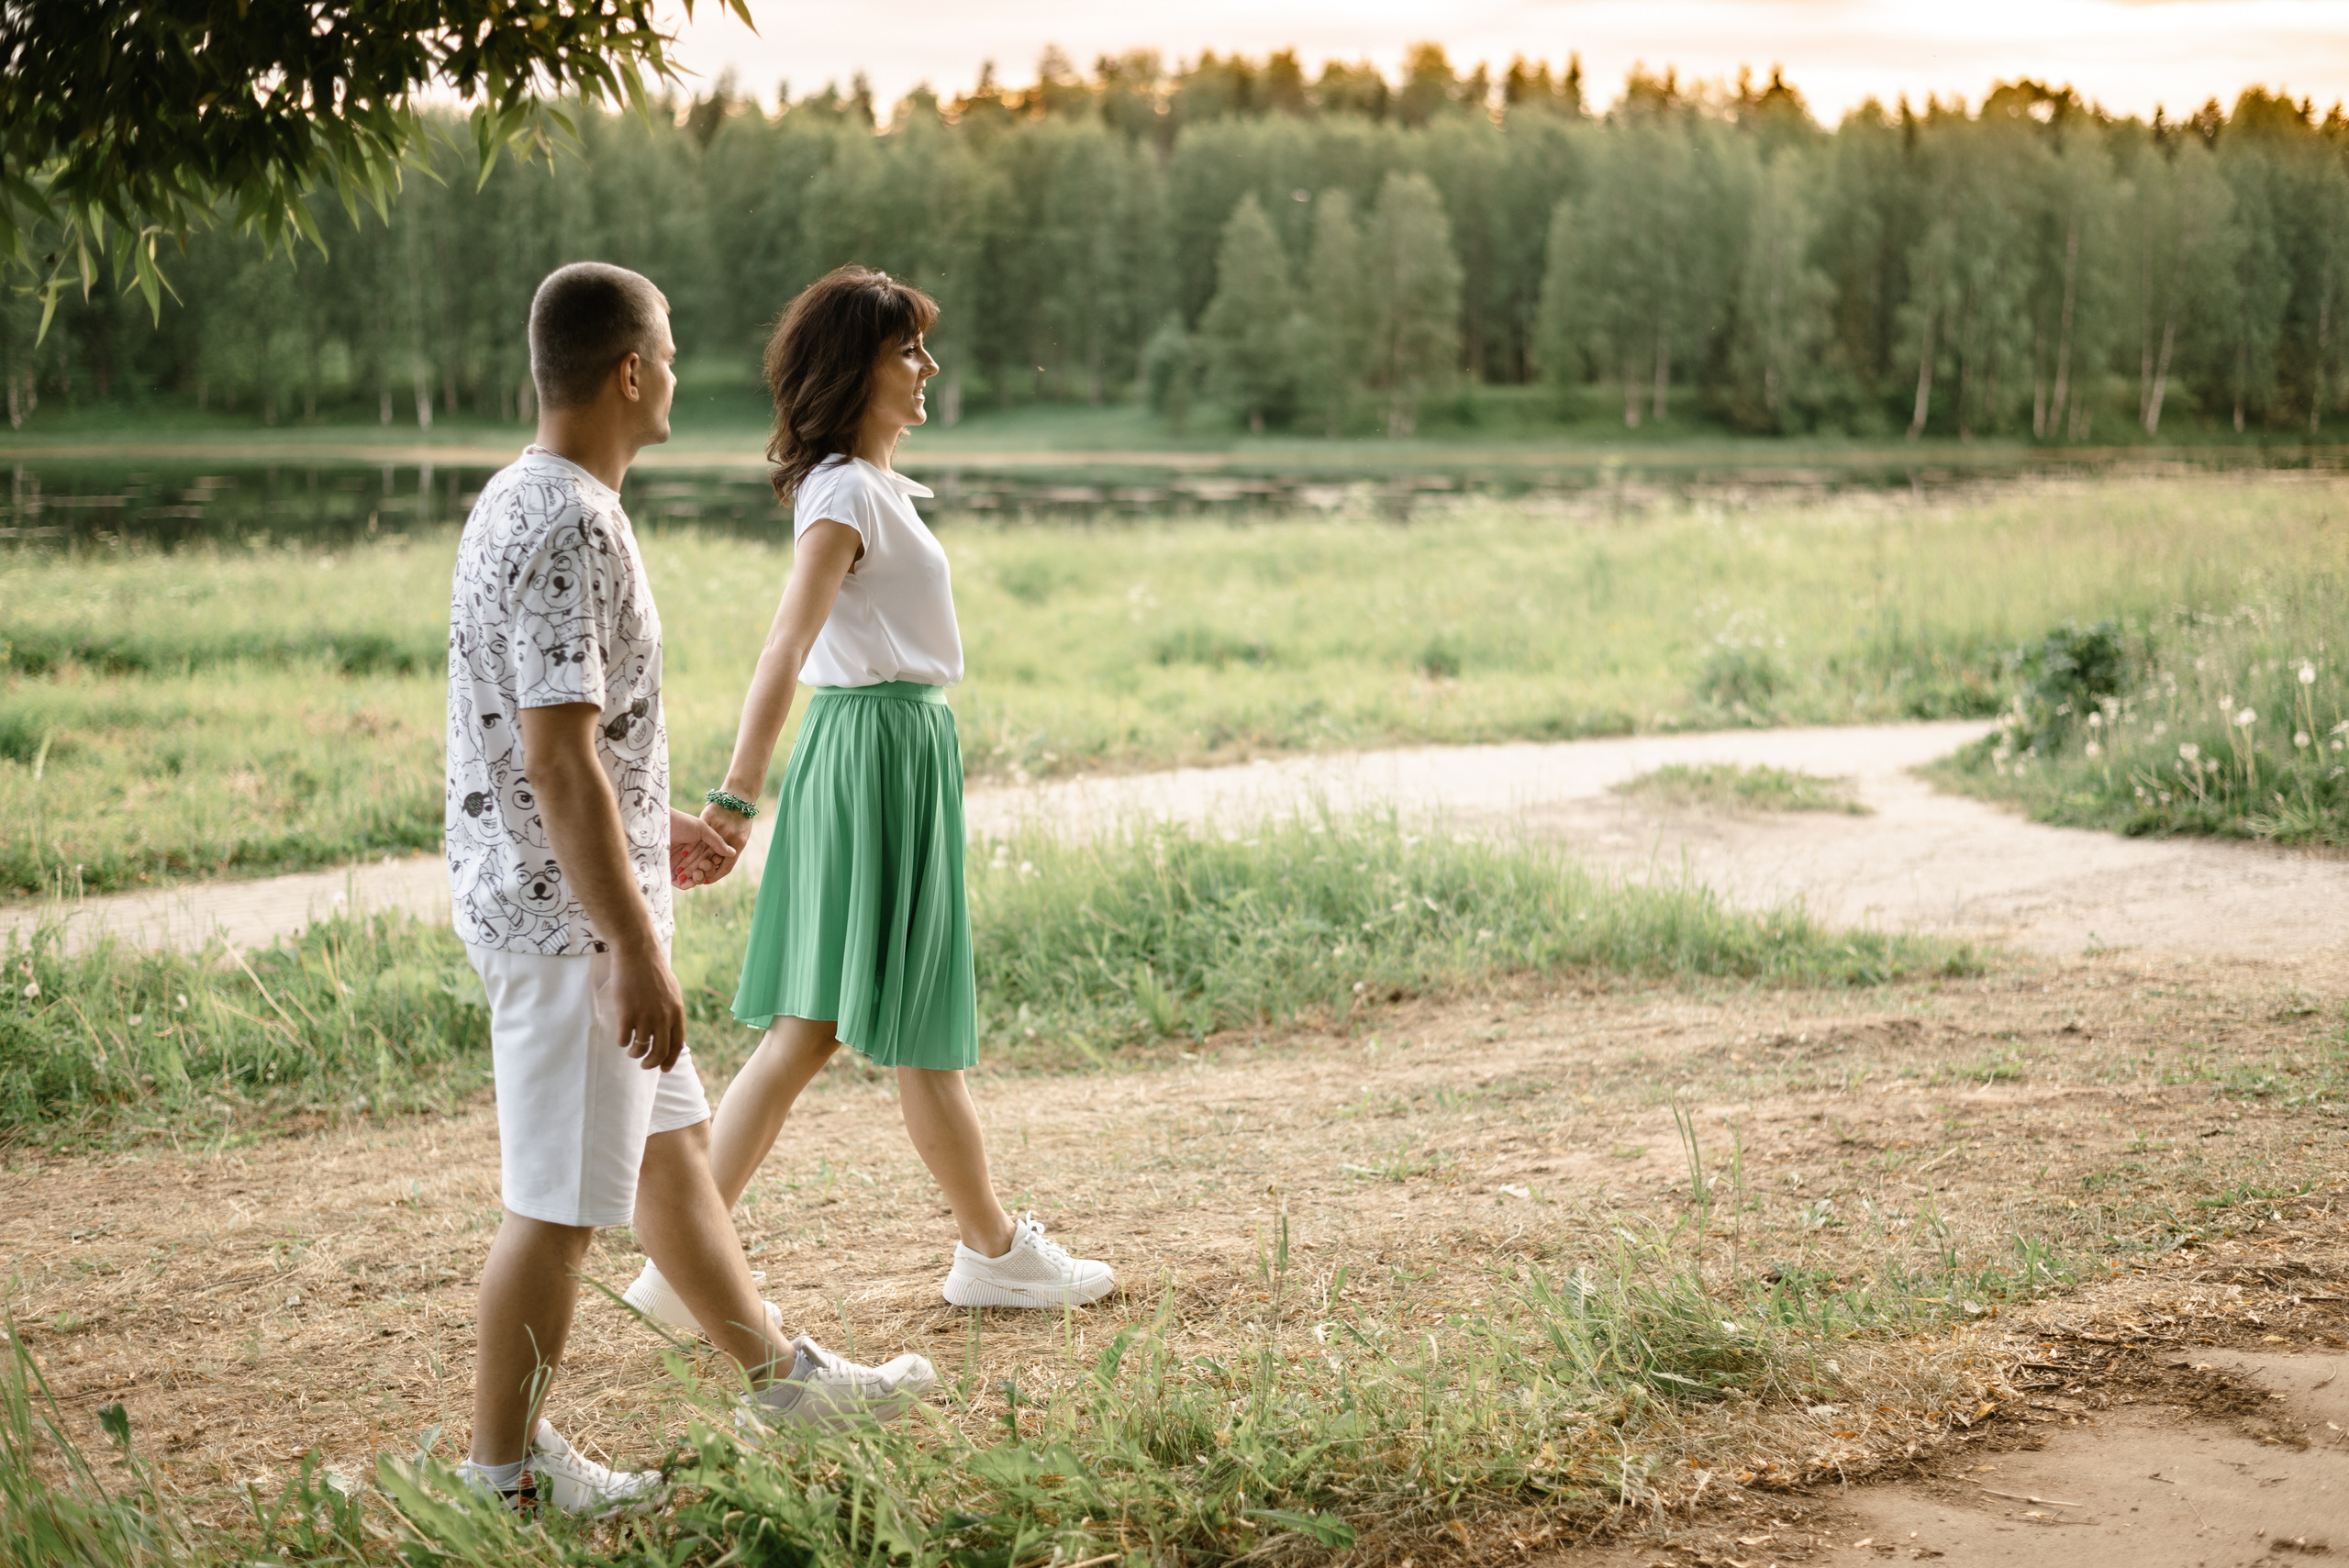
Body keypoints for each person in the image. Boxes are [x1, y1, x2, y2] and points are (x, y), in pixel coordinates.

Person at [443, 261, 934, 1514]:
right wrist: (632, 945)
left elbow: (554, 747)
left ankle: (783, 1377)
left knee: (669, 1151)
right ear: (628, 373)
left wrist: (650, 836)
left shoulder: (514, 496)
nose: (674, 373)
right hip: (571, 938)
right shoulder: (571, 522)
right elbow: (554, 755)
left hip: (564, 902)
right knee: (555, 1210)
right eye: (666, 352)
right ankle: (501, 1475)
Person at [622, 266, 1112, 1334]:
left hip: (896, 746)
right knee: (851, 1019)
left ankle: (687, 1264)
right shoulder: (844, 491)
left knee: (822, 1024)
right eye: (908, 352)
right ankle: (989, 1252)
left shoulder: (870, 488)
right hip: (873, 748)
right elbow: (785, 643)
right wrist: (733, 799)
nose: (927, 367)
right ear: (855, 371)